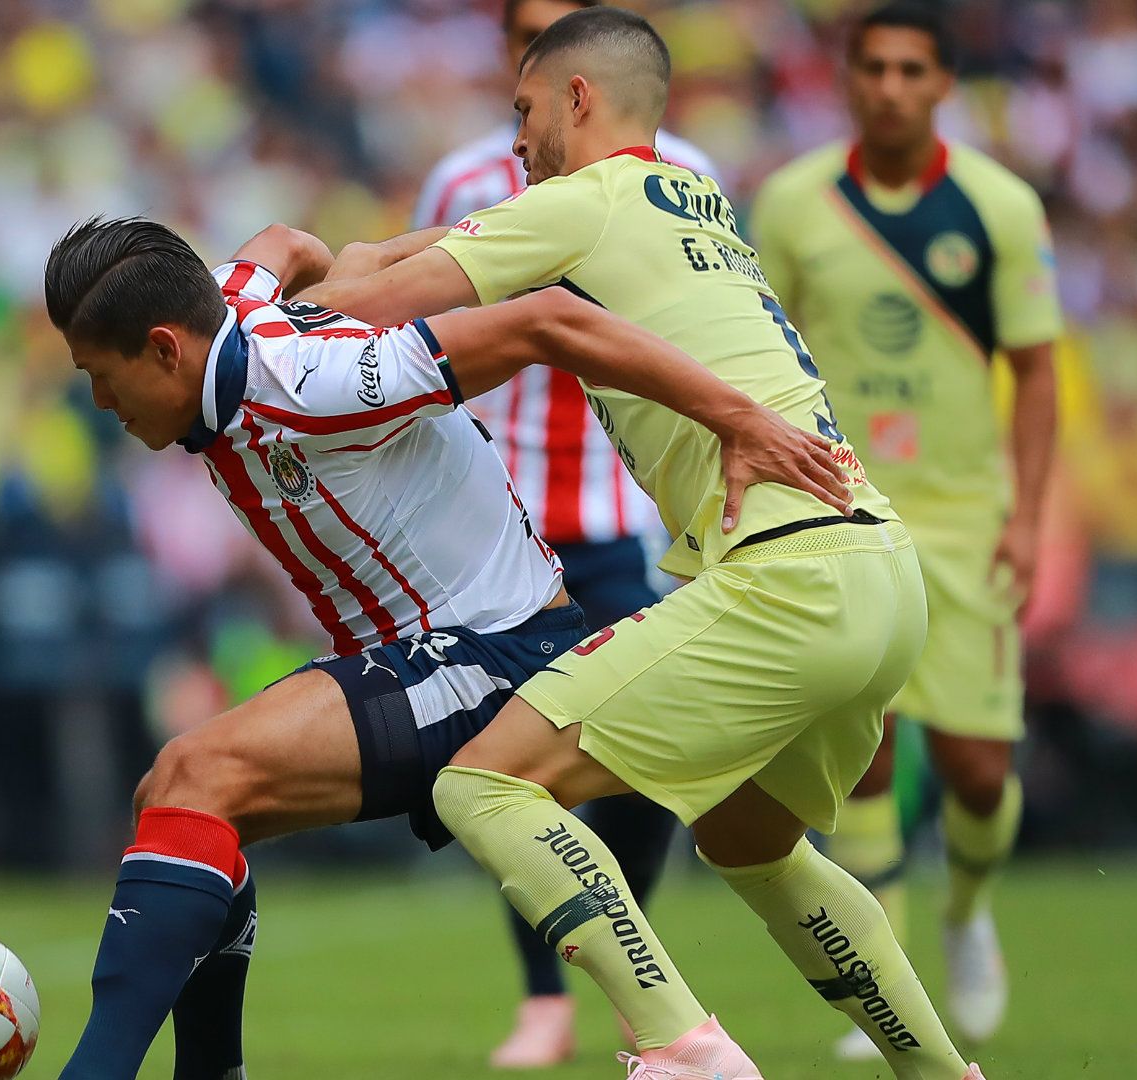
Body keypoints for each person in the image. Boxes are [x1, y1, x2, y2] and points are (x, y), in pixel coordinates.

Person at [300, 8, 987, 1079]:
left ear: (577, 100)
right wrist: (379, 246)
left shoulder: (582, 202)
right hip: (879, 571)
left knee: (482, 785)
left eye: (524, 111)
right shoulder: (691, 196)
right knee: (749, 841)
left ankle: (679, 1044)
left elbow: (367, 313)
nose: (515, 139)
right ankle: (945, 1075)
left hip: (788, 576)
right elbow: (451, 246)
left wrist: (279, 285)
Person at [44, 216, 850, 1080]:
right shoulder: (228, 308)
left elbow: (549, 321)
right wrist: (336, 281)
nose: (100, 406)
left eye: (101, 378)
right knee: (175, 806)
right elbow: (283, 243)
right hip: (423, 654)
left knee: (197, 775)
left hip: (495, 649)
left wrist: (740, 421)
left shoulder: (321, 383)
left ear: (165, 349)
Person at [747, 2, 1062, 1058]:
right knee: (866, 759)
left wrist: (1028, 517)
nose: (888, 85)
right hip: (844, 509)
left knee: (977, 768)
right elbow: (758, 353)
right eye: (871, 66)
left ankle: (968, 912)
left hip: (970, 521)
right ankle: (885, 971)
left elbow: (1039, 375)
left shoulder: (1000, 208)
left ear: (942, 85)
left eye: (910, 69)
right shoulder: (793, 205)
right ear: (846, 78)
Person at [412, 1, 712, 1063]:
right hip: (506, 522)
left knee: (650, 756)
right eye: (519, 28)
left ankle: (623, 956)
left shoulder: (682, 169)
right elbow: (424, 341)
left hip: (622, 518)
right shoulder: (466, 178)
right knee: (510, 759)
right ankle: (544, 994)